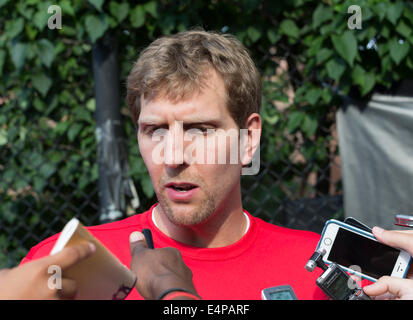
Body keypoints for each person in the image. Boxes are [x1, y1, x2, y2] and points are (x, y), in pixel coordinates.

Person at [19, 29, 329, 300]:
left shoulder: (322, 272)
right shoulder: (64, 268)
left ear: (248, 140)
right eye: (156, 130)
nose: (172, 157)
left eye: (201, 130)